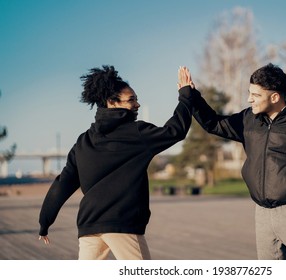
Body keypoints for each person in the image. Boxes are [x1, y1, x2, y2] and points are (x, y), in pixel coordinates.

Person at [178, 64, 286, 260]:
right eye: (249, 93)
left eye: (256, 95)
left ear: (275, 97)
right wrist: (191, 95)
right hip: (262, 215)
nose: (249, 99)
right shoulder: (249, 119)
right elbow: (214, 123)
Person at [38, 65, 194, 260]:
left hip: (89, 226)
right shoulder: (136, 133)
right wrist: (186, 94)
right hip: (122, 225)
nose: (137, 105)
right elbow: (175, 130)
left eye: (136, 99)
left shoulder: (83, 141)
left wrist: (45, 222)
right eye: (131, 100)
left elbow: (62, 184)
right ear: (111, 102)